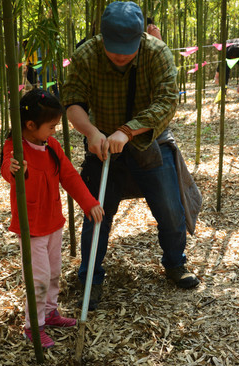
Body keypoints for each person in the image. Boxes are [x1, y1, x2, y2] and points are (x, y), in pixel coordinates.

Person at [61, 1, 200, 311]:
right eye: (114, 48)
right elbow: (72, 101)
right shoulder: (86, 55)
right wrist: (91, 132)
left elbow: (166, 103)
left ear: (140, 37)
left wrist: (128, 131)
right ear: (101, 36)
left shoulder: (157, 53)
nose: (121, 55)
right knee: (96, 213)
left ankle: (175, 263)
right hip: (101, 145)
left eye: (128, 47)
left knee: (169, 207)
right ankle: (91, 278)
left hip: (147, 140)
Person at [1, 89, 104, 348]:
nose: (55, 132)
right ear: (30, 125)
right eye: (52, 126)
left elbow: (69, 176)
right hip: (32, 226)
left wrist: (89, 203)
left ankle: (50, 312)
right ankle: (33, 326)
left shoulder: (52, 146)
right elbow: (7, 171)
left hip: (54, 222)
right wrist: (15, 169)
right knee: (39, 278)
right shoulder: (15, 147)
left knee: (54, 272)